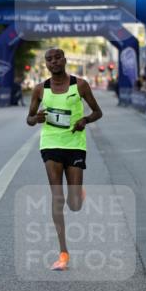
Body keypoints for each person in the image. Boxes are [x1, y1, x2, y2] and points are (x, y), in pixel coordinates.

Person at [26, 47, 103, 271]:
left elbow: (98, 112)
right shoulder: (40, 89)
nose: (54, 62)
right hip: (50, 144)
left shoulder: (80, 85)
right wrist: (36, 118)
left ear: (65, 60)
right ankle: (63, 253)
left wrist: (85, 121)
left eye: (57, 58)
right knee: (57, 197)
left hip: (75, 144)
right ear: (46, 64)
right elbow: (29, 119)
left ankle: (78, 194)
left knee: (74, 204)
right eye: (49, 59)